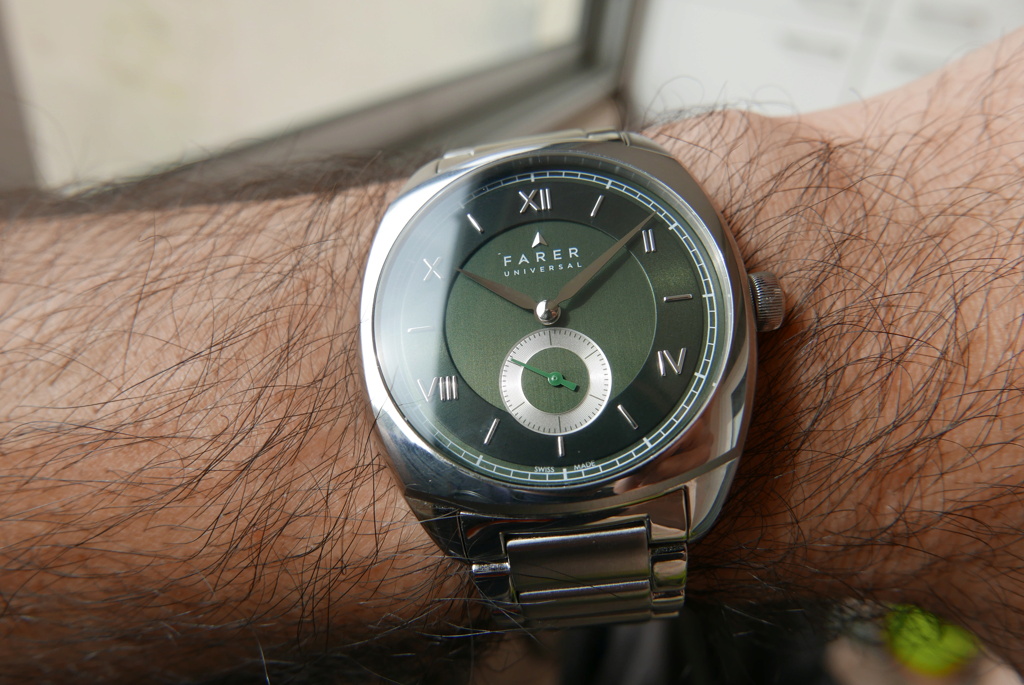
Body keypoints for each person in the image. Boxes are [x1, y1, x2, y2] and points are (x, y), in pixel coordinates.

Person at [1, 27, 1023, 685]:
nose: (545, 309)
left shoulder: (669, 252)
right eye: (527, 303)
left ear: (751, 306)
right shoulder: (427, 283)